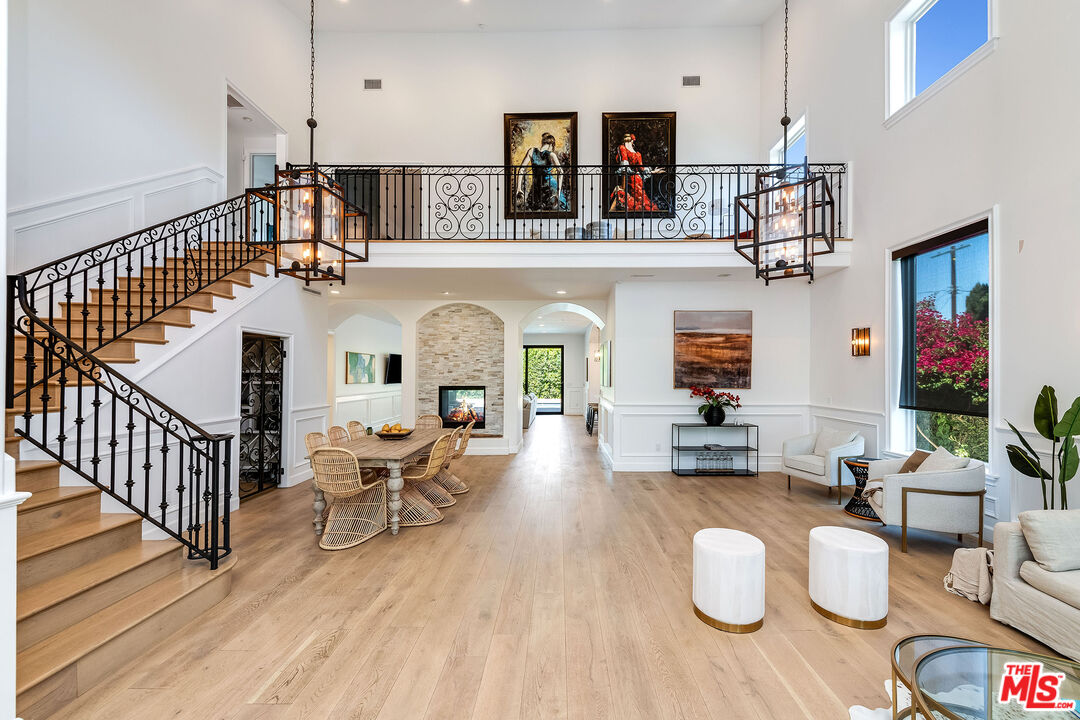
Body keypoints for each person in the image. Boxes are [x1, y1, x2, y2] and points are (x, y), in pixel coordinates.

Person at [609, 133, 665, 212]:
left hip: (630, 178)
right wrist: (653, 171)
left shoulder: (622, 148)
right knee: (640, 199)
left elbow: (624, 165)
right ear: (632, 142)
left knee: (635, 199)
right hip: (637, 178)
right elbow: (641, 169)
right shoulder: (637, 154)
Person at [514, 132, 568, 213]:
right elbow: (561, 172)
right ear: (551, 145)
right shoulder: (552, 155)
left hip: (538, 187)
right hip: (549, 186)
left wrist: (518, 188)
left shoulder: (531, 151)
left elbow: (521, 169)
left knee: (536, 212)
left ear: (542, 142)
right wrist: (558, 191)